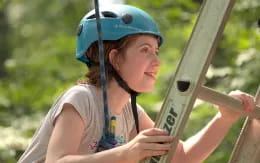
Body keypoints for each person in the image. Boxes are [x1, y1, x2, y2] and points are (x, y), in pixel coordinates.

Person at [18, 4, 256, 163]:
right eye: (145, 50)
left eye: (156, 51)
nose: (156, 61)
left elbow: (180, 157)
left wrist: (223, 119)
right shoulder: (81, 99)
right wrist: (128, 152)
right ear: (113, 58)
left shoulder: (130, 113)